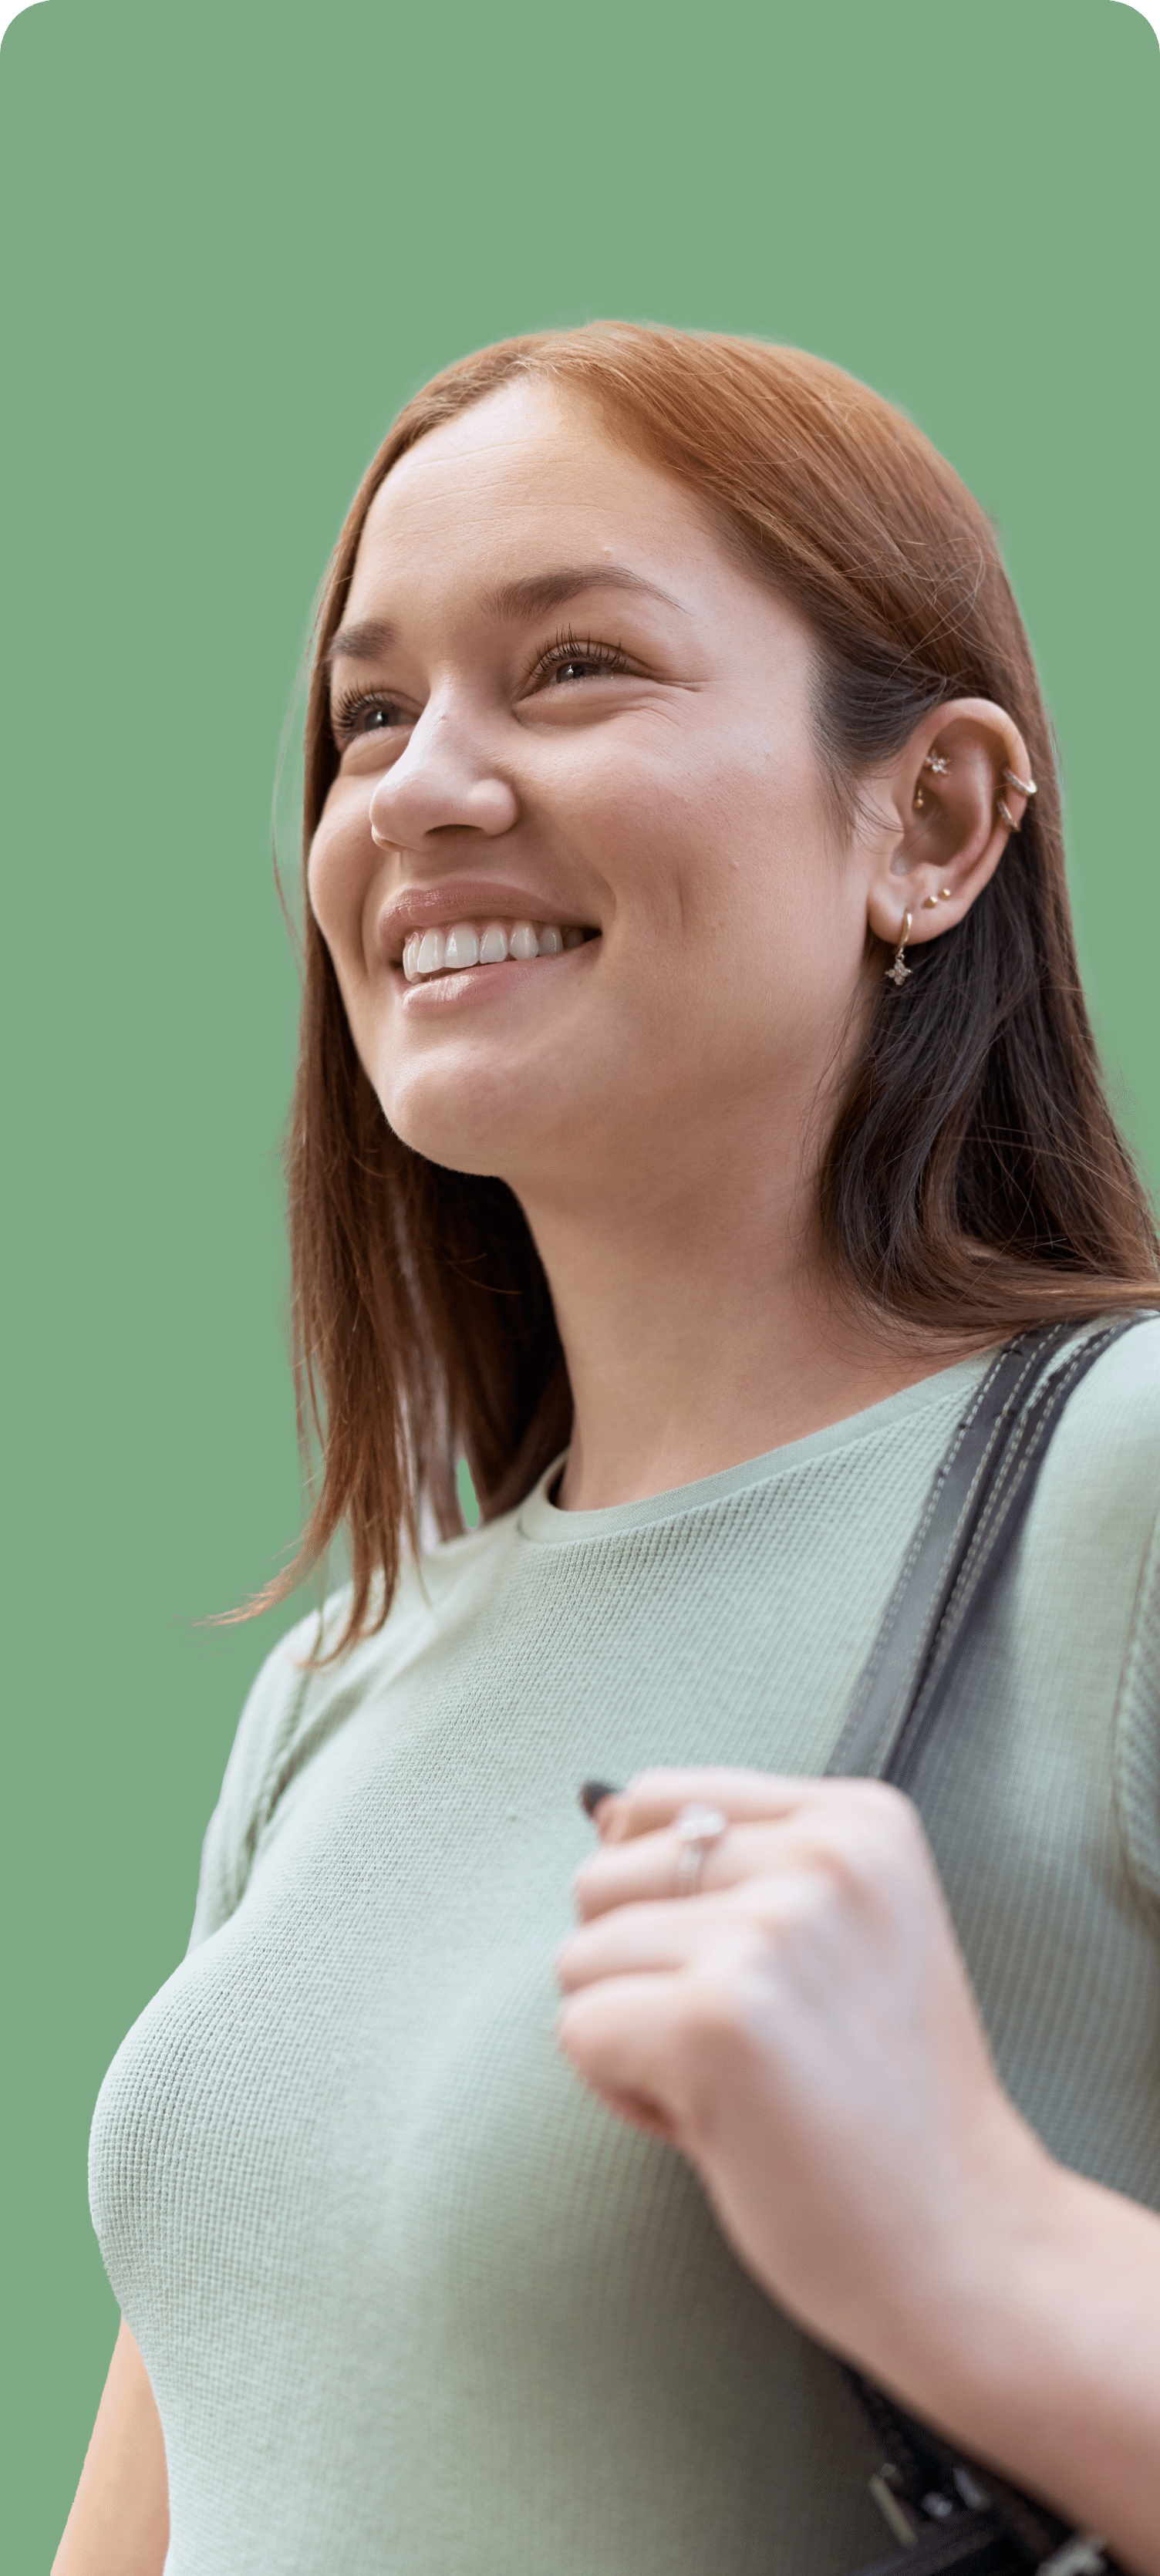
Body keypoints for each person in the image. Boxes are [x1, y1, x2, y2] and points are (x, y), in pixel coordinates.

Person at [57, 325, 1160, 2576]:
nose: (418, 790)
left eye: (570, 665)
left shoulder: (1119, 1493)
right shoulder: (327, 1701)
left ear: (928, 822)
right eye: (371, 713)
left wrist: (993, 2247)